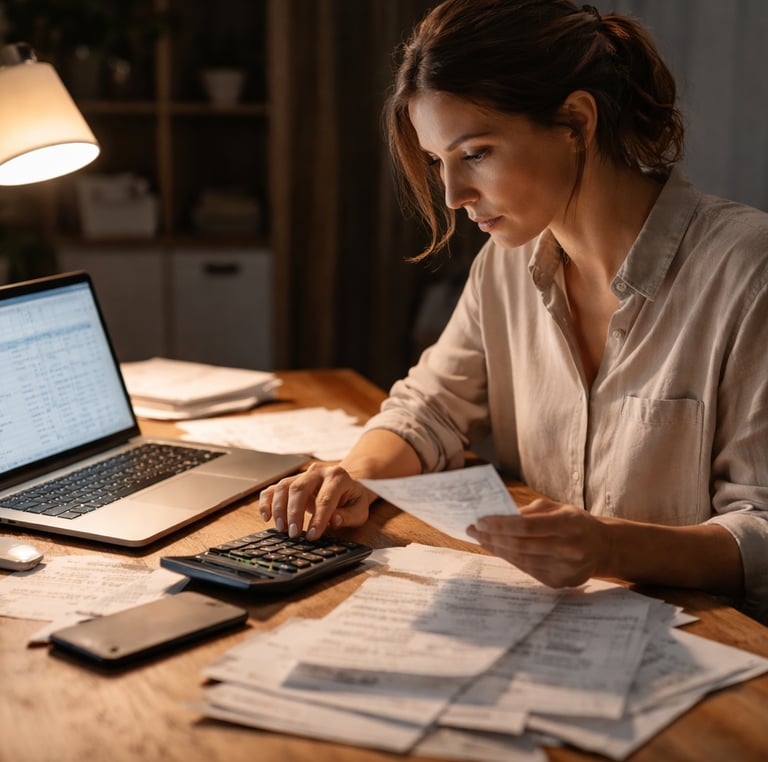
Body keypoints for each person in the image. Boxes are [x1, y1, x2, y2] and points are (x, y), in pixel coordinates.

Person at [260, 0, 768, 623]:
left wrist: (610, 546)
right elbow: (432, 407)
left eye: (475, 153)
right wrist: (354, 475)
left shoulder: (748, 270)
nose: (452, 195)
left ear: (577, 122)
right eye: (436, 163)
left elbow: (762, 532)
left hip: (714, 648)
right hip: (558, 626)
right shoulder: (506, 266)